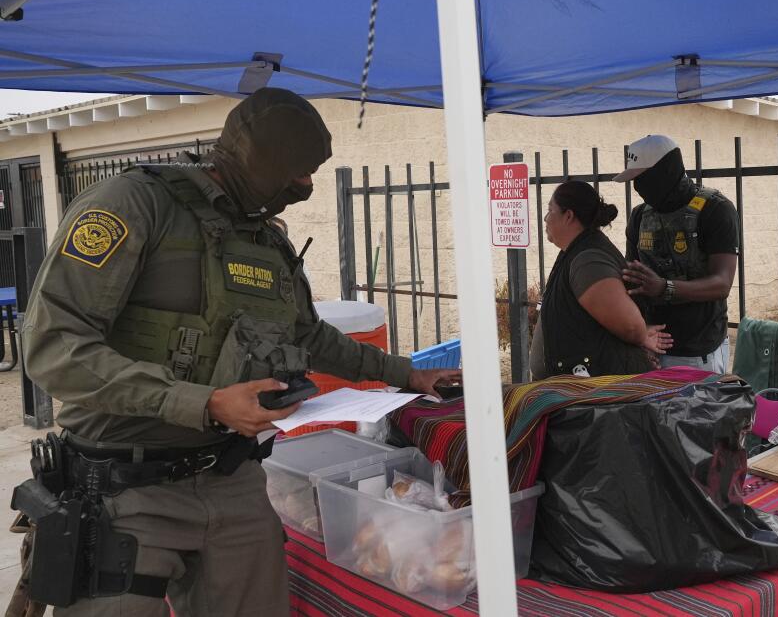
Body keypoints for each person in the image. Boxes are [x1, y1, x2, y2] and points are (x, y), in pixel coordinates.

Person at [11, 88, 459, 616]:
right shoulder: (133, 204)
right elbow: (53, 344)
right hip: (124, 491)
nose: (307, 185)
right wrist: (204, 403)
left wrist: (408, 375)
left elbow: (309, 337)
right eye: (297, 171)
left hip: (232, 479)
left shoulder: (266, 241)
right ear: (258, 161)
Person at [615, 135, 738, 374]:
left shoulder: (715, 209)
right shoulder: (639, 216)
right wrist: (642, 333)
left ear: (666, 172)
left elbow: (722, 283)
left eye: (642, 178)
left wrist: (664, 287)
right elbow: (632, 281)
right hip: (651, 347)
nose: (637, 187)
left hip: (699, 352)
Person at [531, 180, 671, 379]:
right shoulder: (576, 252)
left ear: (568, 216)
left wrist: (641, 335)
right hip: (580, 393)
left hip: (595, 397)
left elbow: (630, 326)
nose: (545, 218)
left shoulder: (589, 261)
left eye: (550, 210)